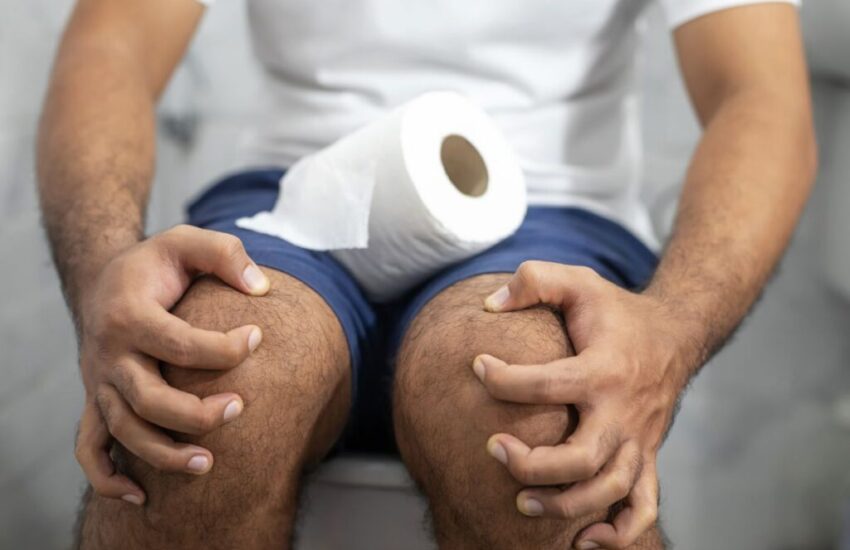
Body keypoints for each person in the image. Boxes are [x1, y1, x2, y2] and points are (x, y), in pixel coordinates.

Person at [37, 0, 816, 548]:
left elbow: (759, 94)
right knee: (203, 387)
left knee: (536, 411)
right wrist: (105, 269)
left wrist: (671, 329)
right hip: (302, 188)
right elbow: (116, 40)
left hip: (549, 203)